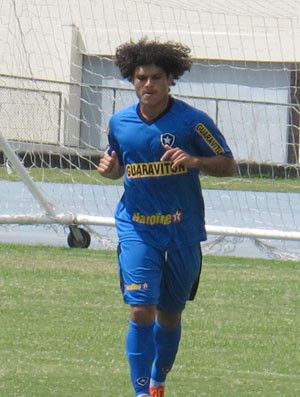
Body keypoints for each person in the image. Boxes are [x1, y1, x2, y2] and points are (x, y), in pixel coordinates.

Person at [97, 37, 237, 397]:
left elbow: (229, 164)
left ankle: (159, 380)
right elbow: (118, 167)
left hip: (182, 230)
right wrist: (110, 170)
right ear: (132, 80)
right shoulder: (119, 122)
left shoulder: (193, 122)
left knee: (170, 315)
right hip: (137, 228)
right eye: (141, 78)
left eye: (156, 77)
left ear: (170, 79)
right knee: (141, 309)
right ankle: (141, 392)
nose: (148, 85)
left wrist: (195, 161)